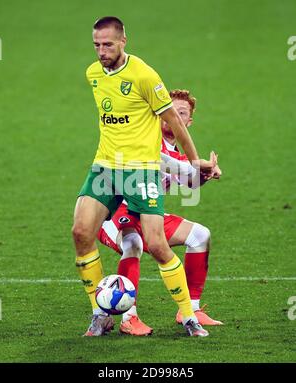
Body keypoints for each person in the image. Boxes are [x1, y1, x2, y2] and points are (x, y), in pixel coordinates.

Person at [72, 16, 216, 337]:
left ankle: (189, 316)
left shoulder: (144, 75)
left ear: (124, 41)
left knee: (157, 244)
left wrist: (195, 162)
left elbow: (174, 123)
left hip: (141, 169)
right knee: (81, 232)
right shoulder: (93, 74)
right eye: (96, 44)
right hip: (106, 166)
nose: (101, 51)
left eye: (108, 44)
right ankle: (100, 316)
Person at [96, 89, 223, 336]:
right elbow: (160, 160)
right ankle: (128, 317)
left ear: (188, 122)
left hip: (149, 214)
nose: (173, 116)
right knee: (133, 243)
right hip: (115, 213)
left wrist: (206, 174)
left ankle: (191, 309)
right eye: (169, 110)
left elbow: (192, 184)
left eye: (181, 112)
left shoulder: (180, 153)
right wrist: (195, 167)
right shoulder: (147, 137)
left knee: (200, 236)